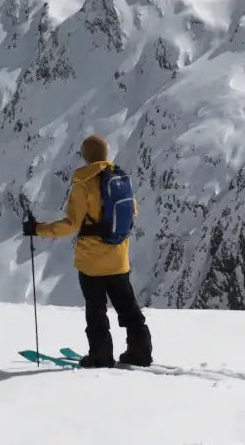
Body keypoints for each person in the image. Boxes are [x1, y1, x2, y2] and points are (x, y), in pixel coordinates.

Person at [22, 134, 152, 368]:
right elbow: (132, 212)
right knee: (128, 307)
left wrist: (38, 229)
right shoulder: (120, 179)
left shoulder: (84, 184)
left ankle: (101, 356)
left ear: (86, 156)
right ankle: (140, 352)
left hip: (92, 262)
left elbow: (71, 224)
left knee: (96, 310)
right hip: (119, 258)